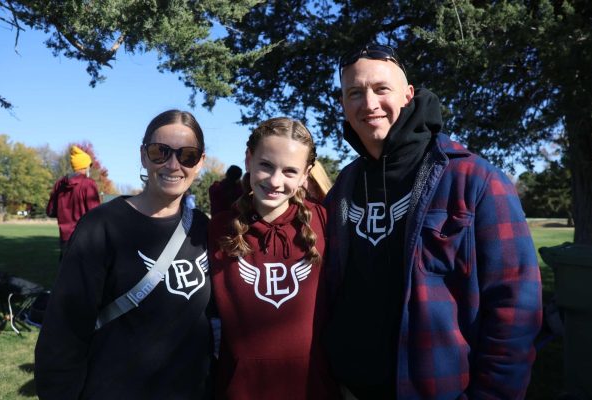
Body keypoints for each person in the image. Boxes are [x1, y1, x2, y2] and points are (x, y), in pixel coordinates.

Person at [324, 42, 543, 399]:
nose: (369, 103)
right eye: (354, 93)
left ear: (408, 95)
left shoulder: (475, 180)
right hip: (349, 388)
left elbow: (517, 308)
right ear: (344, 105)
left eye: (382, 89)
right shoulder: (344, 187)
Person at [35, 110, 214, 399]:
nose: (173, 164)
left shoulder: (204, 229)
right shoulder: (101, 227)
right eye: (160, 152)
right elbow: (64, 329)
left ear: (200, 162)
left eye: (187, 155)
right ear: (143, 155)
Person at [208, 117, 339, 400]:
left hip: (314, 390)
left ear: (306, 175)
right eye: (266, 165)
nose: (275, 181)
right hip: (238, 391)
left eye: (290, 171)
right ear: (249, 160)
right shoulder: (218, 229)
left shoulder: (327, 222)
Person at [46, 145, 101, 257]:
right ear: (85, 166)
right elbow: (96, 215)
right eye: (89, 166)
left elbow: (50, 211)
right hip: (84, 240)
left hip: (65, 239)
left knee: (65, 272)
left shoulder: (59, 184)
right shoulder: (88, 184)